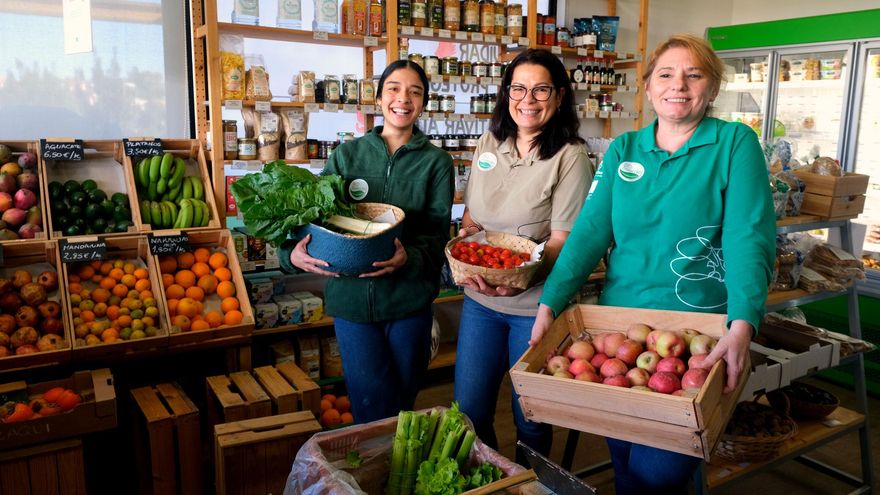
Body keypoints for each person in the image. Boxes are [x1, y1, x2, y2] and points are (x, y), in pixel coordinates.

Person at [532, 33, 776, 494]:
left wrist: (743, 322)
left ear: (713, 87)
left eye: (693, 74)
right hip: (617, 331)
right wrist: (550, 303)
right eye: (665, 74)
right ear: (647, 87)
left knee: (656, 471)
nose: (678, 85)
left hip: (699, 332)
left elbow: (750, 237)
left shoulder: (733, 144)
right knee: (625, 461)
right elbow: (588, 234)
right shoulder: (624, 150)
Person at [279, 60, 453, 424]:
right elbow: (316, 217)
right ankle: (374, 478)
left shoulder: (437, 163)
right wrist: (291, 252)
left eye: (414, 91)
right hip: (352, 303)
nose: (402, 99)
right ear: (377, 97)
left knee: (403, 407)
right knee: (368, 407)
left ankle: (395, 478)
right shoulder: (347, 155)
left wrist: (410, 258)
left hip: (408, 301)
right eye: (393, 88)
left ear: (424, 102)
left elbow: (436, 236)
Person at [453, 48, 594, 462]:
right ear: (505, 92)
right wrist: (469, 247)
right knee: (471, 409)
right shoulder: (488, 141)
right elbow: (472, 216)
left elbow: (561, 242)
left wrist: (512, 277)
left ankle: (531, 483)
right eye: (518, 88)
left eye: (540, 89)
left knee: (529, 414)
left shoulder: (570, 157)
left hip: (533, 308)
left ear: (560, 96)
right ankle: (496, 480)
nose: (527, 99)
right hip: (480, 300)